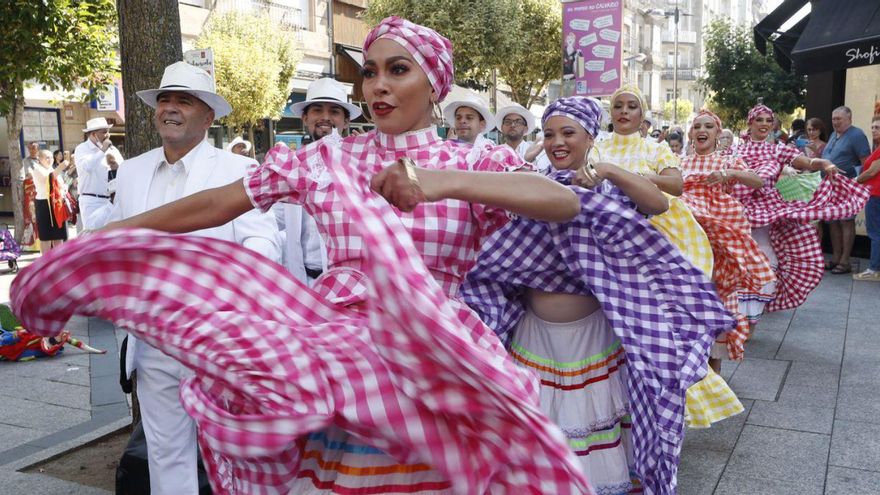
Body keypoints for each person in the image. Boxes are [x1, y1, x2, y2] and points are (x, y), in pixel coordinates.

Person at [32, 17, 589, 493]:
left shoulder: (474, 159)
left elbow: (560, 200)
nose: (379, 85)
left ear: (435, 83)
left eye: (399, 70)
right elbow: (216, 204)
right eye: (371, 71)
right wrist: (111, 236)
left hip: (435, 350)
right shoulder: (329, 158)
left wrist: (439, 180)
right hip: (337, 353)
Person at [460, 97, 736, 494]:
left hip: (594, 341)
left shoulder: (610, 185)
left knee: (595, 441)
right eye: (550, 133)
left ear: (591, 137)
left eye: (568, 132)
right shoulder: (533, 183)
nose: (557, 142)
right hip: (534, 339)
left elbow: (659, 203)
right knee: (541, 432)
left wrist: (609, 170)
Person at [106, 61, 281, 495]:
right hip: (150, 342)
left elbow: (265, 246)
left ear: (208, 117)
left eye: (184, 100)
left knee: (238, 456)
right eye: (164, 99)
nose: (170, 108)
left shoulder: (238, 171)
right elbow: (113, 245)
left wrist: (229, 303)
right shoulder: (130, 172)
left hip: (218, 340)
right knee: (165, 454)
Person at [725, 103, 868, 327]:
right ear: (750, 123)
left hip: (765, 213)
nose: (764, 124)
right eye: (759, 120)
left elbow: (808, 162)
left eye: (768, 120)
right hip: (734, 211)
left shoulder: (777, 149)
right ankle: (736, 310)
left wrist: (824, 163)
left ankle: (751, 314)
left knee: (764, 258)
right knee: (734, 259)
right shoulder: (734, 150)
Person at [679, 110, 775, 370]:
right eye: (697, 126)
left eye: (708, 126)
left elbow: (757, 182)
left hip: (718, 243)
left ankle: (716, 379)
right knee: (692, 303)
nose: (702, 130)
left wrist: (728, 173)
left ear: (717, 133)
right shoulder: (679, 162)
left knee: (717, 300)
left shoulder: (727, 159)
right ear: (690, 133)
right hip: (688, 241)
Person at [595, 83, 714, 275]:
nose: (624, 111)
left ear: (641, 116)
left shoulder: (655, 149)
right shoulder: (596, 149)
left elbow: (676, 185)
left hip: (657, 226)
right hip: (607, 229)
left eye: (632, 106)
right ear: (611, 113)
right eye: (618, 106)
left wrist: (642, 179)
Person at [276, 77, 362, 283]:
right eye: (317, 110)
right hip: (304, 280)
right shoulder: (290, 165)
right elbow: (274, 220)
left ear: (346, 121)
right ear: (305, 118)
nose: (325, 117)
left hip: (351, 284)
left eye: (334, 111)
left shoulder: (360, 161)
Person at [822, 106, 871, 274]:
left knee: (846, 221)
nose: (835, 122)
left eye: (839, 119)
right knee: (833, 221)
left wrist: (857, 184)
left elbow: (866, 162)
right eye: (833, 119)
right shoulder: (832, 134)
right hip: (829, 186)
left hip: (847, 186)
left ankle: (845, 261)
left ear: (849, 119)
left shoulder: (857, 135)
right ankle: (835, 258)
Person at [74, 117, 114, 230]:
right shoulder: (82, 149)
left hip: (110, 201)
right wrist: (102, 151)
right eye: (104, 132)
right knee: (93, 235)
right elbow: (87, 167)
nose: (107, 135)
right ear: (93, 134)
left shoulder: (111, 149)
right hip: (92, 202)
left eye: (108, 131)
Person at [854, 116, 880, 281]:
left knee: (875, 232)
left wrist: (854, 180)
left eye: (877, 127)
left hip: (876, 194)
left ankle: (873, 269)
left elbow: (872, 171)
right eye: (872, 127)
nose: (874, 130)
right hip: (875, 193)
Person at [30, 149, 68, 253]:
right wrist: (60, 168)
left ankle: (59, 259)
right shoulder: (37, 169)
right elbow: (47, 180)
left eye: (51, 157)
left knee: (58, 235)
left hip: (56, 203)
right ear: (40, 159)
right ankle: (46, 262)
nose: (50, 159)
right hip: (44, 204)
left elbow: (61, 184)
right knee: (46, 236)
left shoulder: (52, 169)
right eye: (47, 157)